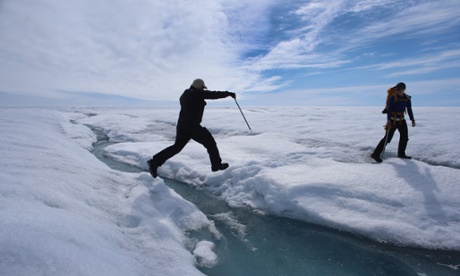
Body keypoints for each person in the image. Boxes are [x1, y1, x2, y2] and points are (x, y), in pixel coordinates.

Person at [147, 79, 236, 178]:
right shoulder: (196, 94)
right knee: (210, 142)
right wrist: (228, 93)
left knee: (177, 147)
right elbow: (212, 94)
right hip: (192, 126)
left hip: (182, 125)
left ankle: (154, 162)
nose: (203, 89)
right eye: (202, 87)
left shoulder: (185, 94)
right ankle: (216, 165)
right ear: (198, 86)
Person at [371, 82, 416, 163]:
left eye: (399, 89)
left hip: (401, 120)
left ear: (404, 89)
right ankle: (375, 154)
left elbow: (409, 109)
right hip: (392, 120)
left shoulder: (407, 98)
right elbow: (389, 109)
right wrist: (388, 121)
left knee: (404, 137)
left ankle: (401, 153)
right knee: (387, 138)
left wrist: (412, 119)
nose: (398, 91)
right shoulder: (393, 97)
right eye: (397, 89)